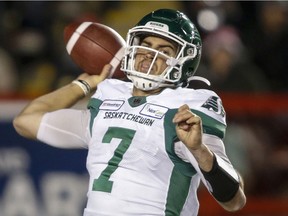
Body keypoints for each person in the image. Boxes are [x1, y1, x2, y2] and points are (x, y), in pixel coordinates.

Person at [13, 9, 246, 216]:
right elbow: (26, 121)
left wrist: (198, 149)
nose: (150, 55)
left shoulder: (186, 106)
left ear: (183, 61)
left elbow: (234, 201)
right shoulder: (108, 100)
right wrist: (82, 85)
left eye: (164, 50)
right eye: (146, 45)